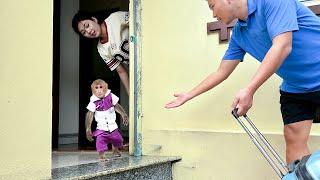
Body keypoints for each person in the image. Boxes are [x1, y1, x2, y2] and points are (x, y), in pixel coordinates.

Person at [165, 0, 320, 165]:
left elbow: (282, 46)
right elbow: (221, 72)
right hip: (295, 88)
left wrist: (250, 89)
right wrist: (189, 95)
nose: (213, 14)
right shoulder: (239, 34)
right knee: (293, 136)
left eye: (212, 6)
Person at [72, 9, 130, 95]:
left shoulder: (114, 18)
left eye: (87, 25)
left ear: (94, 20)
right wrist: (130, 94)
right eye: (84, 32)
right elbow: (121, 72)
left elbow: (139, 20)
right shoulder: (101, 49)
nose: (88, 31)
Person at [86, 79, 128, 161]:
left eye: (101, 87)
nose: (99, 91)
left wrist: (123, 114)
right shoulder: (93, 101)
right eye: (96, 88)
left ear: (105, 88)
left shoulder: (111, 96)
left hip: (113, 126)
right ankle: (101, 155)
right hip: (101, 128)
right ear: (93, 90)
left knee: (118, 139)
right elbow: (89, 114)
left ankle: (115, 149)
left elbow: (116, 106)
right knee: (100, 141)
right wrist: (88, 127)